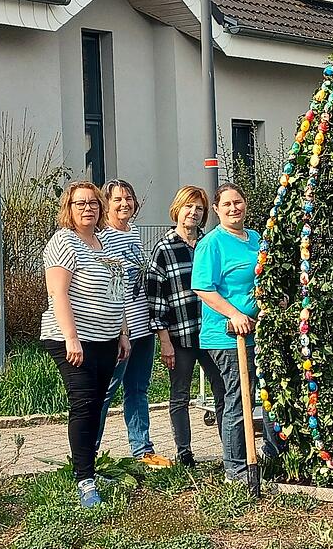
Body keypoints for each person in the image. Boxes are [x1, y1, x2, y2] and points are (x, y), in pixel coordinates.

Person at [40, 181, 130, 508]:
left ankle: (89, 466)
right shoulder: (63, 242)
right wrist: (72, 338)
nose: (88, 208)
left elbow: (116, 291)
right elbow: (58, 293)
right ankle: (84, 480)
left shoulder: (105, 241)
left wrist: (122, 332)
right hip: (71, 340)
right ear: (69, 208)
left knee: (98, 404)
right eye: (80, 203)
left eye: (93, 202)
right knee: (85, 403)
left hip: (106, 339)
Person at [192, 183, 278, 482]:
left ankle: (272, 453)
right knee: (239, 398)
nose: (233, 208)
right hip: (228, 335)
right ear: (216, 209)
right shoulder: (212, 244)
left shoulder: (255, 239)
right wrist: (235, 313)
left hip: (260, 332)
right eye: (226, 204)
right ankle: (237, 468)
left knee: (269, 395)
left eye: (238, 202)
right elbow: (203, 287)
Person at [95, 179, 172, 468]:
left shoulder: (134, 233)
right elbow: (113, 289)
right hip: (120, 330)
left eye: (129, 198)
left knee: (138, 390)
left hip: (144, 327)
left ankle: (143, 449)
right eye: (117, 199)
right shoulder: (104, 237)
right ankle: (89, 453)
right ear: (107, 204)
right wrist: (120, 331)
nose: (125, 203)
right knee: (106, 390)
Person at [147, 185, 226, 467]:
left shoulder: (208, 244)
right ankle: (184, 451)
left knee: (223, 389)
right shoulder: (164, 248)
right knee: (179, 394)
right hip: (180, 334)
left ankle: (229, 447)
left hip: (210, 332)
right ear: (177, 210)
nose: (193, 213)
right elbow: (156, 299)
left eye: (199, 208)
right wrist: (164, 341)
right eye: (188, 207)